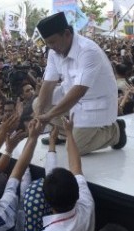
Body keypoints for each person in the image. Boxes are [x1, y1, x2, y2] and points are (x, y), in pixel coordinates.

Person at [35, 12, 126, 155]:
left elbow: (79, 91)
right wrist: (39, 114)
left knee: (75, 149)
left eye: (52, 42)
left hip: (94, 103)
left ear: (66, 34)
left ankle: (115, 132)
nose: (50, 47)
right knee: (38, 103)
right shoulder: (54, 52)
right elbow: (48, 83)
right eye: (47, 43)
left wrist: (49, 116)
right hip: (71, 99)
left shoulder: (88, 50)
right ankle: (63, 134)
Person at [33, 114, 95, 231]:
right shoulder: (87, 206)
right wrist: (69, 133)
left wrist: (53, 144)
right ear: (77, 192)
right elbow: (76, 166)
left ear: (46, 200)